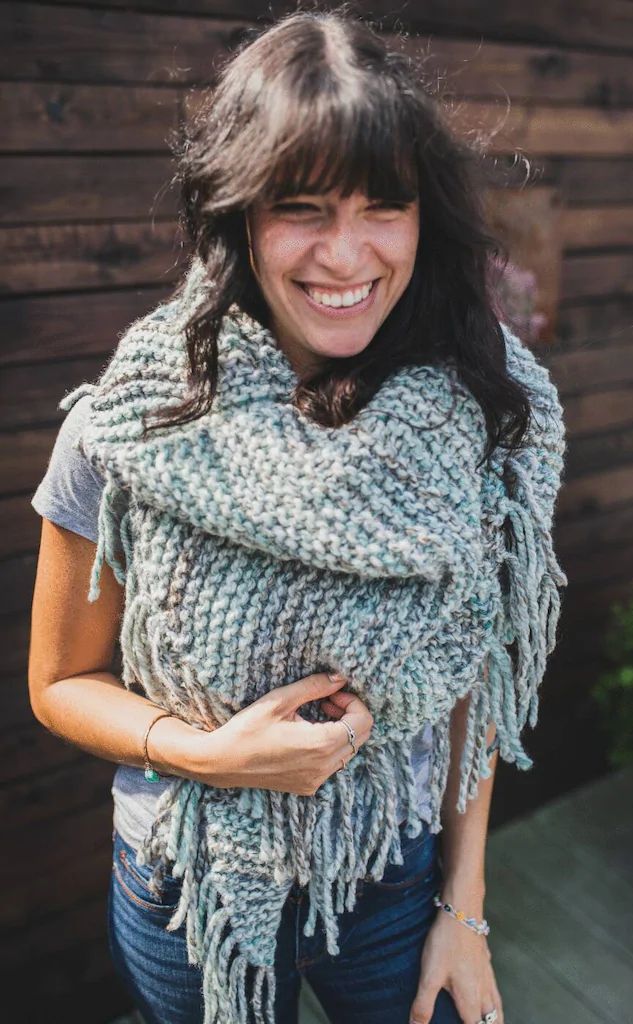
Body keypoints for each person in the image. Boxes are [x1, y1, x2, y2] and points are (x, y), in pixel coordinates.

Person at [28, 8, 567, 1024]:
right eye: (302, 206)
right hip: (186, 882)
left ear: (424, 217)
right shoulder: (135, 422)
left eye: (383, 206)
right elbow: (58, 682)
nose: (346, 252)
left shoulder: (478, 413)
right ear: (239, 213)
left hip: (397, 874)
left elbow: (472, 683)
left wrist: (469, 908)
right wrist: (207, 754)